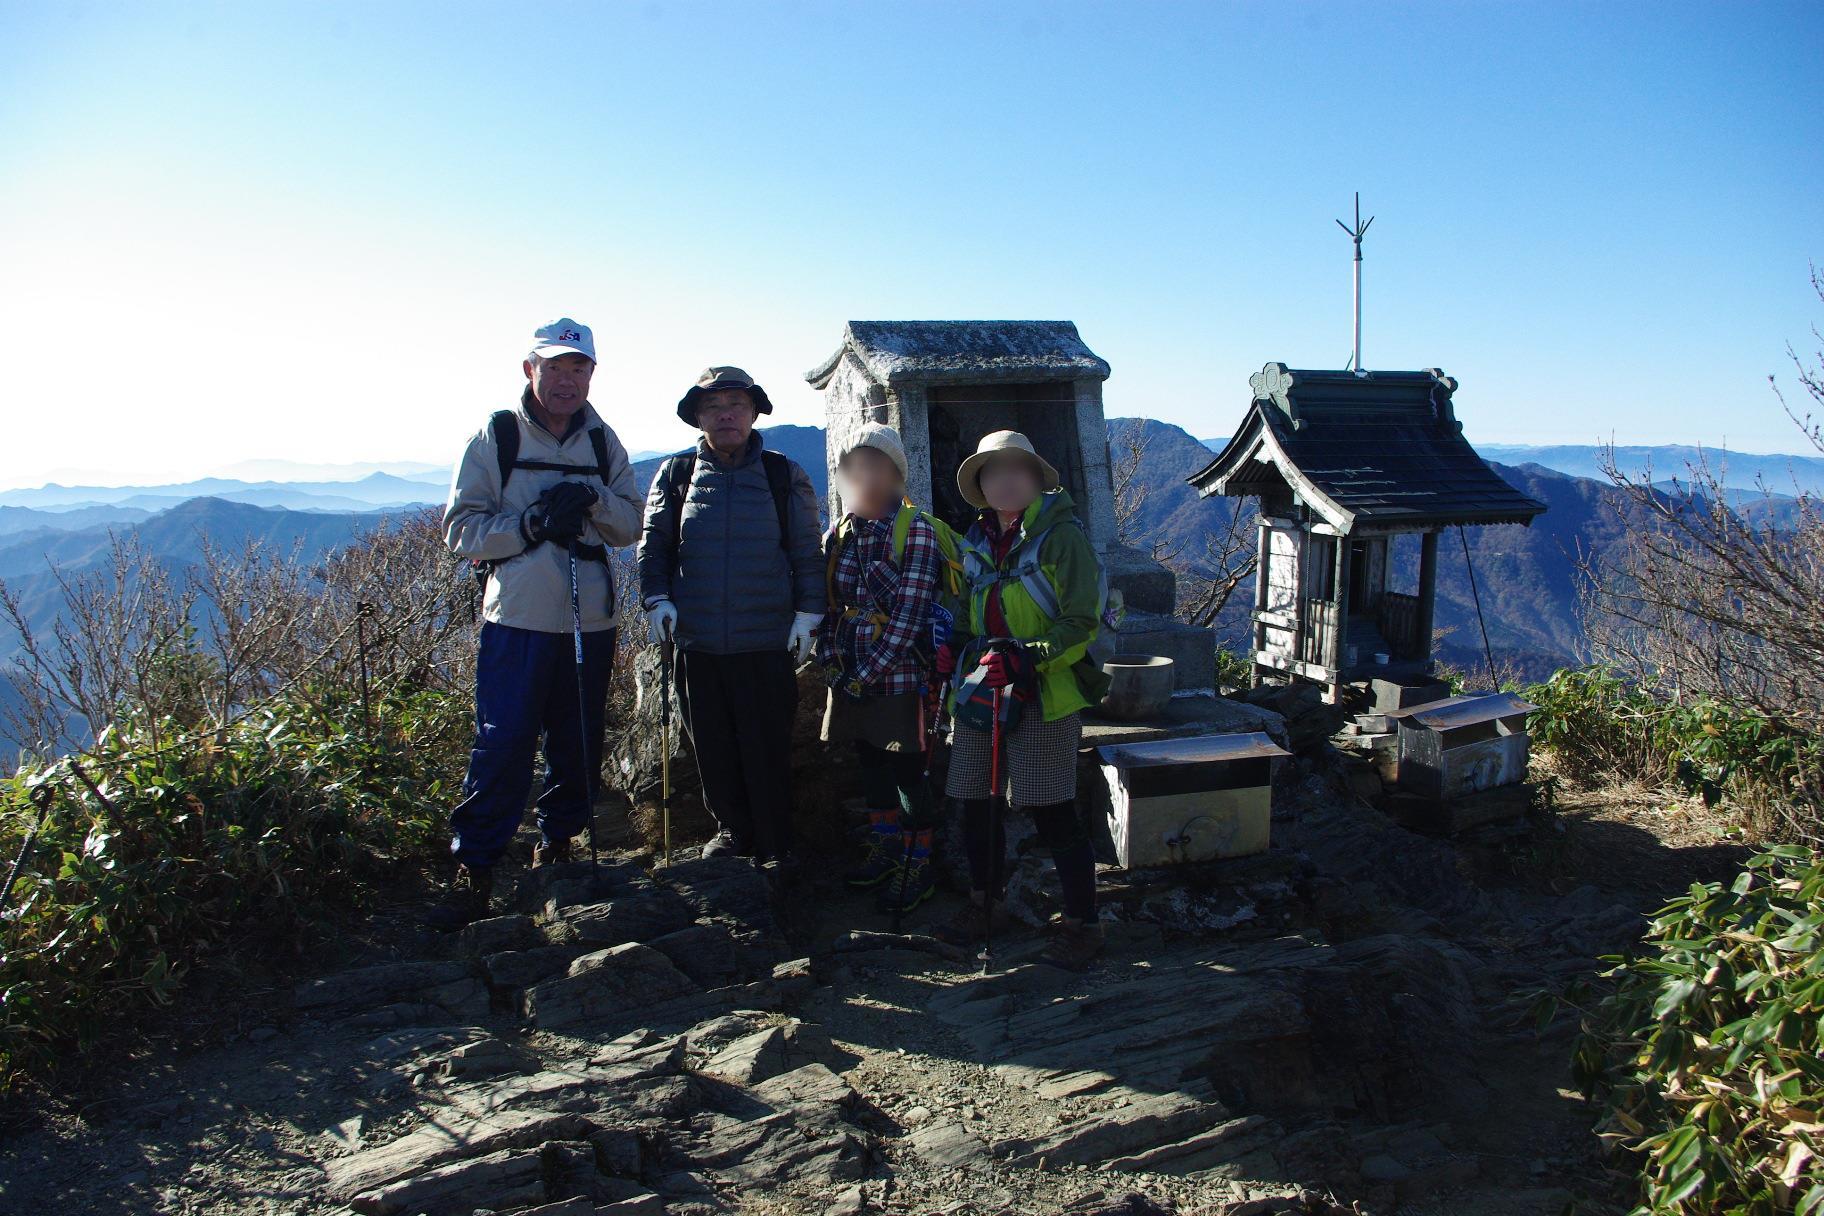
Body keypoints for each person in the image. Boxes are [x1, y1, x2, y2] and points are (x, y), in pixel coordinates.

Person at [428, 318, 645, 930]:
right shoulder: (496, 437)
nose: (567, 380)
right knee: (504, 740)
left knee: (577, 739)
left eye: (578, 369)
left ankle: (559, 841)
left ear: (592, 375)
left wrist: (594, 502)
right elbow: (458, 530)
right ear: (531, 369)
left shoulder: (603, 443)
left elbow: (630, 525)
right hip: (517, 618)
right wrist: (529, 525)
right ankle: (476, 861)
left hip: (590, 619)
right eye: (555, 367)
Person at [933, 430, 1111, 970]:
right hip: (985, 682)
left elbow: (1082, 622)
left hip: (1046, 688)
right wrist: (955, 649)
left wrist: (1026, 658)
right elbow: (968, 612)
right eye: (993, 472)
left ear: (1037, 480)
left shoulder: (1063, 538)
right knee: (973, 797)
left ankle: (1083, 922)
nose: (1005, 480)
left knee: (1049, 803)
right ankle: (984, 903)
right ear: (980, 486)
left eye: (1018, 470)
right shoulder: (978, 541)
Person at [637, 366, 823, 866]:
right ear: (697, 417)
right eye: (713, 407)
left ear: (754, 411)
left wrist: (809, 613)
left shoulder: (784, 475)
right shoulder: (675, 476)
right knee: (712, 746)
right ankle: (731, 833)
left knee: (767, 745)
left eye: (737, 405)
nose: (726, 415)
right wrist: (655, 598)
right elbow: (653, 548)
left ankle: (776, 840)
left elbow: (807, 551)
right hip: (696, 642)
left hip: (766, 639)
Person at [815, 424, 946, 916]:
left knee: (908, 767)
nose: (864, 476)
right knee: (869, 758)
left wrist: (865, 673)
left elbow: (911, 615)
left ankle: (919, 858)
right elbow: (828, 602)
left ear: (896, 475)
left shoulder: (915, 531)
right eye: (855, 467)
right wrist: (831, 661)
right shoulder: (841, 533)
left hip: (898, 673)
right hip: (846, 668)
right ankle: (886, 846)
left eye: (876, 466)